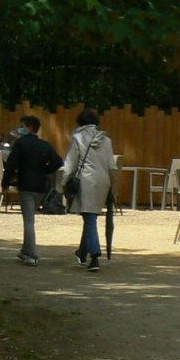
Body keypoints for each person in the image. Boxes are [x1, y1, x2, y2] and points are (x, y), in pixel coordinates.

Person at [0, 116, 63, 266]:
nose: (20, 129)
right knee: (30, 217)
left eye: (22, 126)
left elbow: (10, 165)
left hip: (26, 185)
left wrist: (5, 184)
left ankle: (33, 254)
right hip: (41, 186)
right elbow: (58, 161)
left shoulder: (20, 144)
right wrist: (46, 171)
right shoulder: (44, 145)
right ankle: (25, 250)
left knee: (28, 221)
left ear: (28, 127)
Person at [62, 109, 117, 272]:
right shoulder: (106, 140)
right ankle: (82, 251)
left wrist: (64, 183)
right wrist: (114, 187)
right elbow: (112, 166)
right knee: (90, 215)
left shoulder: (78, 137)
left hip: (86, 180)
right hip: (103, 181)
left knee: (89, 217)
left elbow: (71, 163)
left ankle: (94, 255)